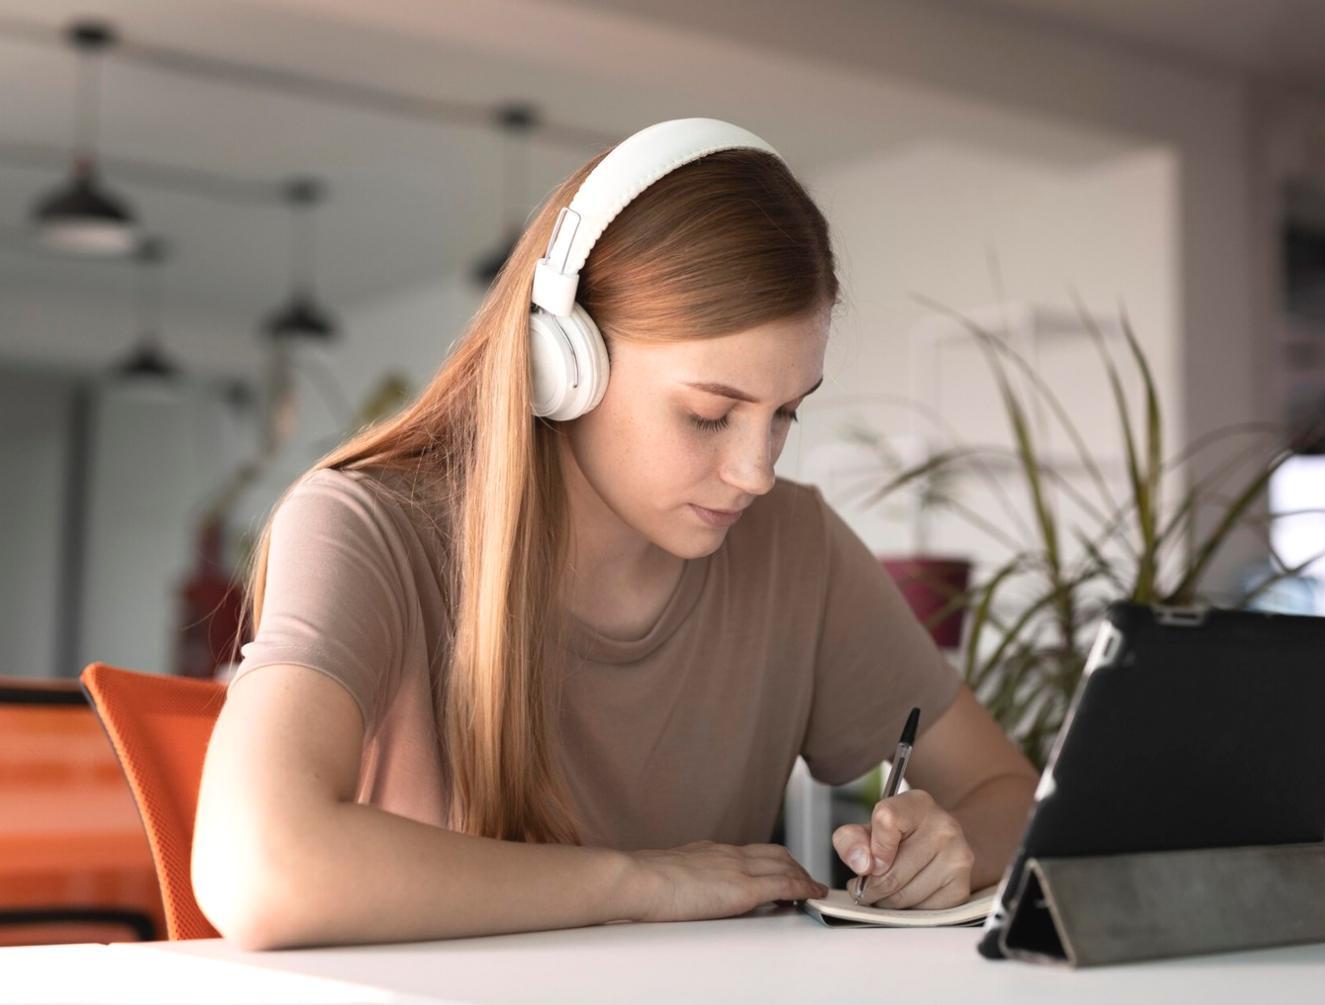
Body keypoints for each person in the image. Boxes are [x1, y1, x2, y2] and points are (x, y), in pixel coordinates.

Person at [192, 118, 1037, 950]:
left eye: (786, 412)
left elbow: (1009, 792)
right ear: (562, 363)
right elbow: (258, 866)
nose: (755, 469)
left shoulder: (795, 546)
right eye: (710, 414)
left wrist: (949, 848)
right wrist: (637, 881)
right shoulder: (365, 525)